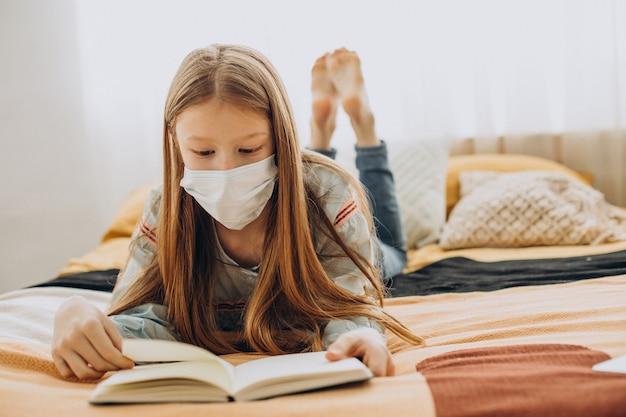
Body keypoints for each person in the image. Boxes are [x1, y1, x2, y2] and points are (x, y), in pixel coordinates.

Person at [51, 45, 423, 380]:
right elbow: (138, 319)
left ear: (279, 138)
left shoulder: (331, 191)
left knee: (393, 251)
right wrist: (76, 311)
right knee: (309, 183)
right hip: (300, 185)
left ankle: (363, 129)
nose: (225, 172)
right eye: (203, 153)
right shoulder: (164, 207)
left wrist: (357, 338)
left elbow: (348, 307)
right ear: (174, 143)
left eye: (248, 150)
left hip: (322, 209)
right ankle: (320, 134)